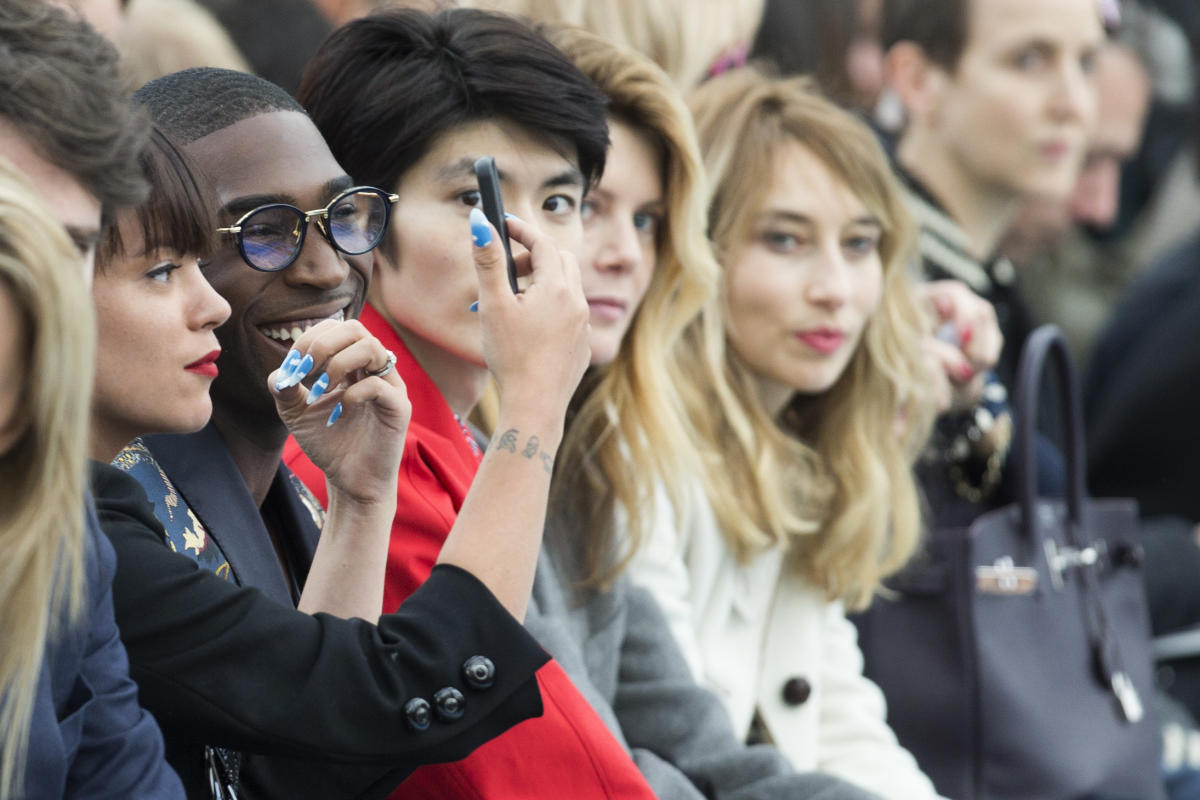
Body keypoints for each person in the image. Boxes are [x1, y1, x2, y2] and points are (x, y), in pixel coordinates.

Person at [290, 9, 880, 800]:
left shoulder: (476, 434)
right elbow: (546, 774)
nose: (525, 241)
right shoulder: (358, 443)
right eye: (476, 196)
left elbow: (681, 745)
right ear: (361, 221)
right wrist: (535, 401)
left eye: (564, 202)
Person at [90, 71, 591, 797]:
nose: (326, 268)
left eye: (345, 215)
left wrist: (360, 502)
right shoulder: (98, 515)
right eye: (263, 231)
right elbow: (390, 695)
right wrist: (535, 407)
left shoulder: (298, 487)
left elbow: (307, 773)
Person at [620, 67, 944, 800]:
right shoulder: (637, 448)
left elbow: (839, 716)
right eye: (786, 240)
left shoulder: (799, 444)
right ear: (697, 247)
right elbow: (676, 743)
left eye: (859, 245)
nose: (834, 287)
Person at [0, 159, 182, 800]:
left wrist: (362, 499)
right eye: (160, 271)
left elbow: (126, 774)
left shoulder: (66, 534)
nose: (212, 305)